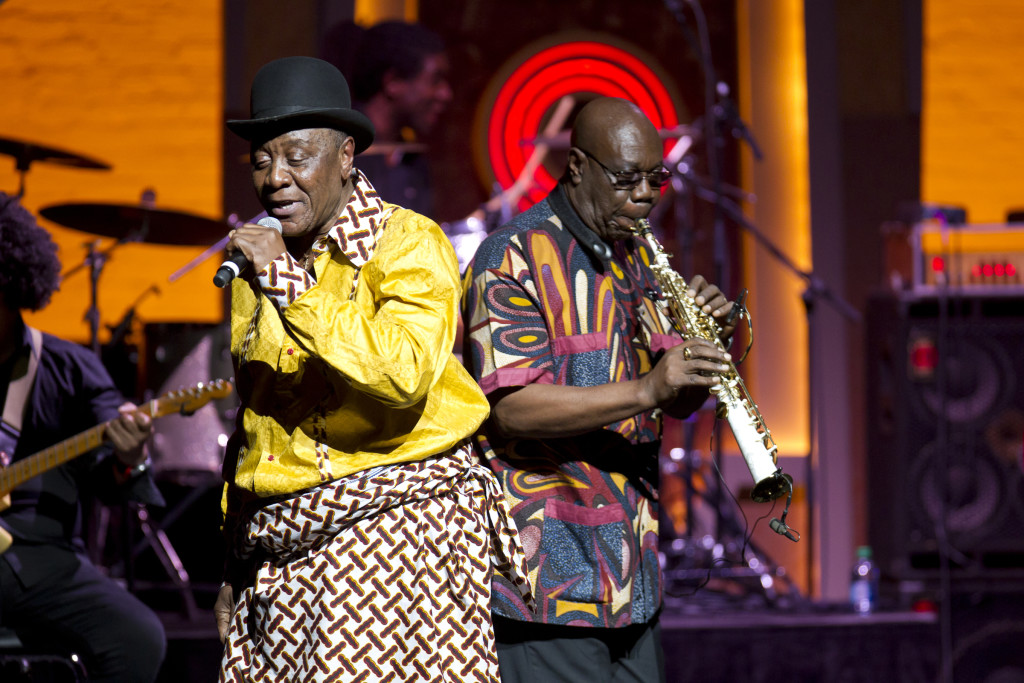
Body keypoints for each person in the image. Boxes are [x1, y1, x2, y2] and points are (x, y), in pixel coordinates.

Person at [214, 56, 530, 682]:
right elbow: (258, 420)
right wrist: (233, 567)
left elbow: (403, 370)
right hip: (279, 547)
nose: (275, 178)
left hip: (393, 536)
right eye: (260, 159)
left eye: (297, 158)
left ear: (346, 155)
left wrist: (286, 280)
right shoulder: (260, 264)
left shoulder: (407, 242)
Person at [461, 97, 737, 682]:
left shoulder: (636, 254)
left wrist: (703, 346)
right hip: (549, 584)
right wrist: (646, 388)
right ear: (579, 166)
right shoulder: (509, 255)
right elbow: (510, 409)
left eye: (654, 179)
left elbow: (676, 401)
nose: (644, 196)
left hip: (633, 576)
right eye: (625, 179)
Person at [0, 192, 166, 682]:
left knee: (138, 637)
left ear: (11, 287)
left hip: (43, 560)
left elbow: (112, 482)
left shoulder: (68, 369)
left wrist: (130, 453)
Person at [322, 20, 452, 218]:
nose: (446, 94)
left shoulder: (412, 162)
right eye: (435, 80)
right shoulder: (335, 157)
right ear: (393, 83)